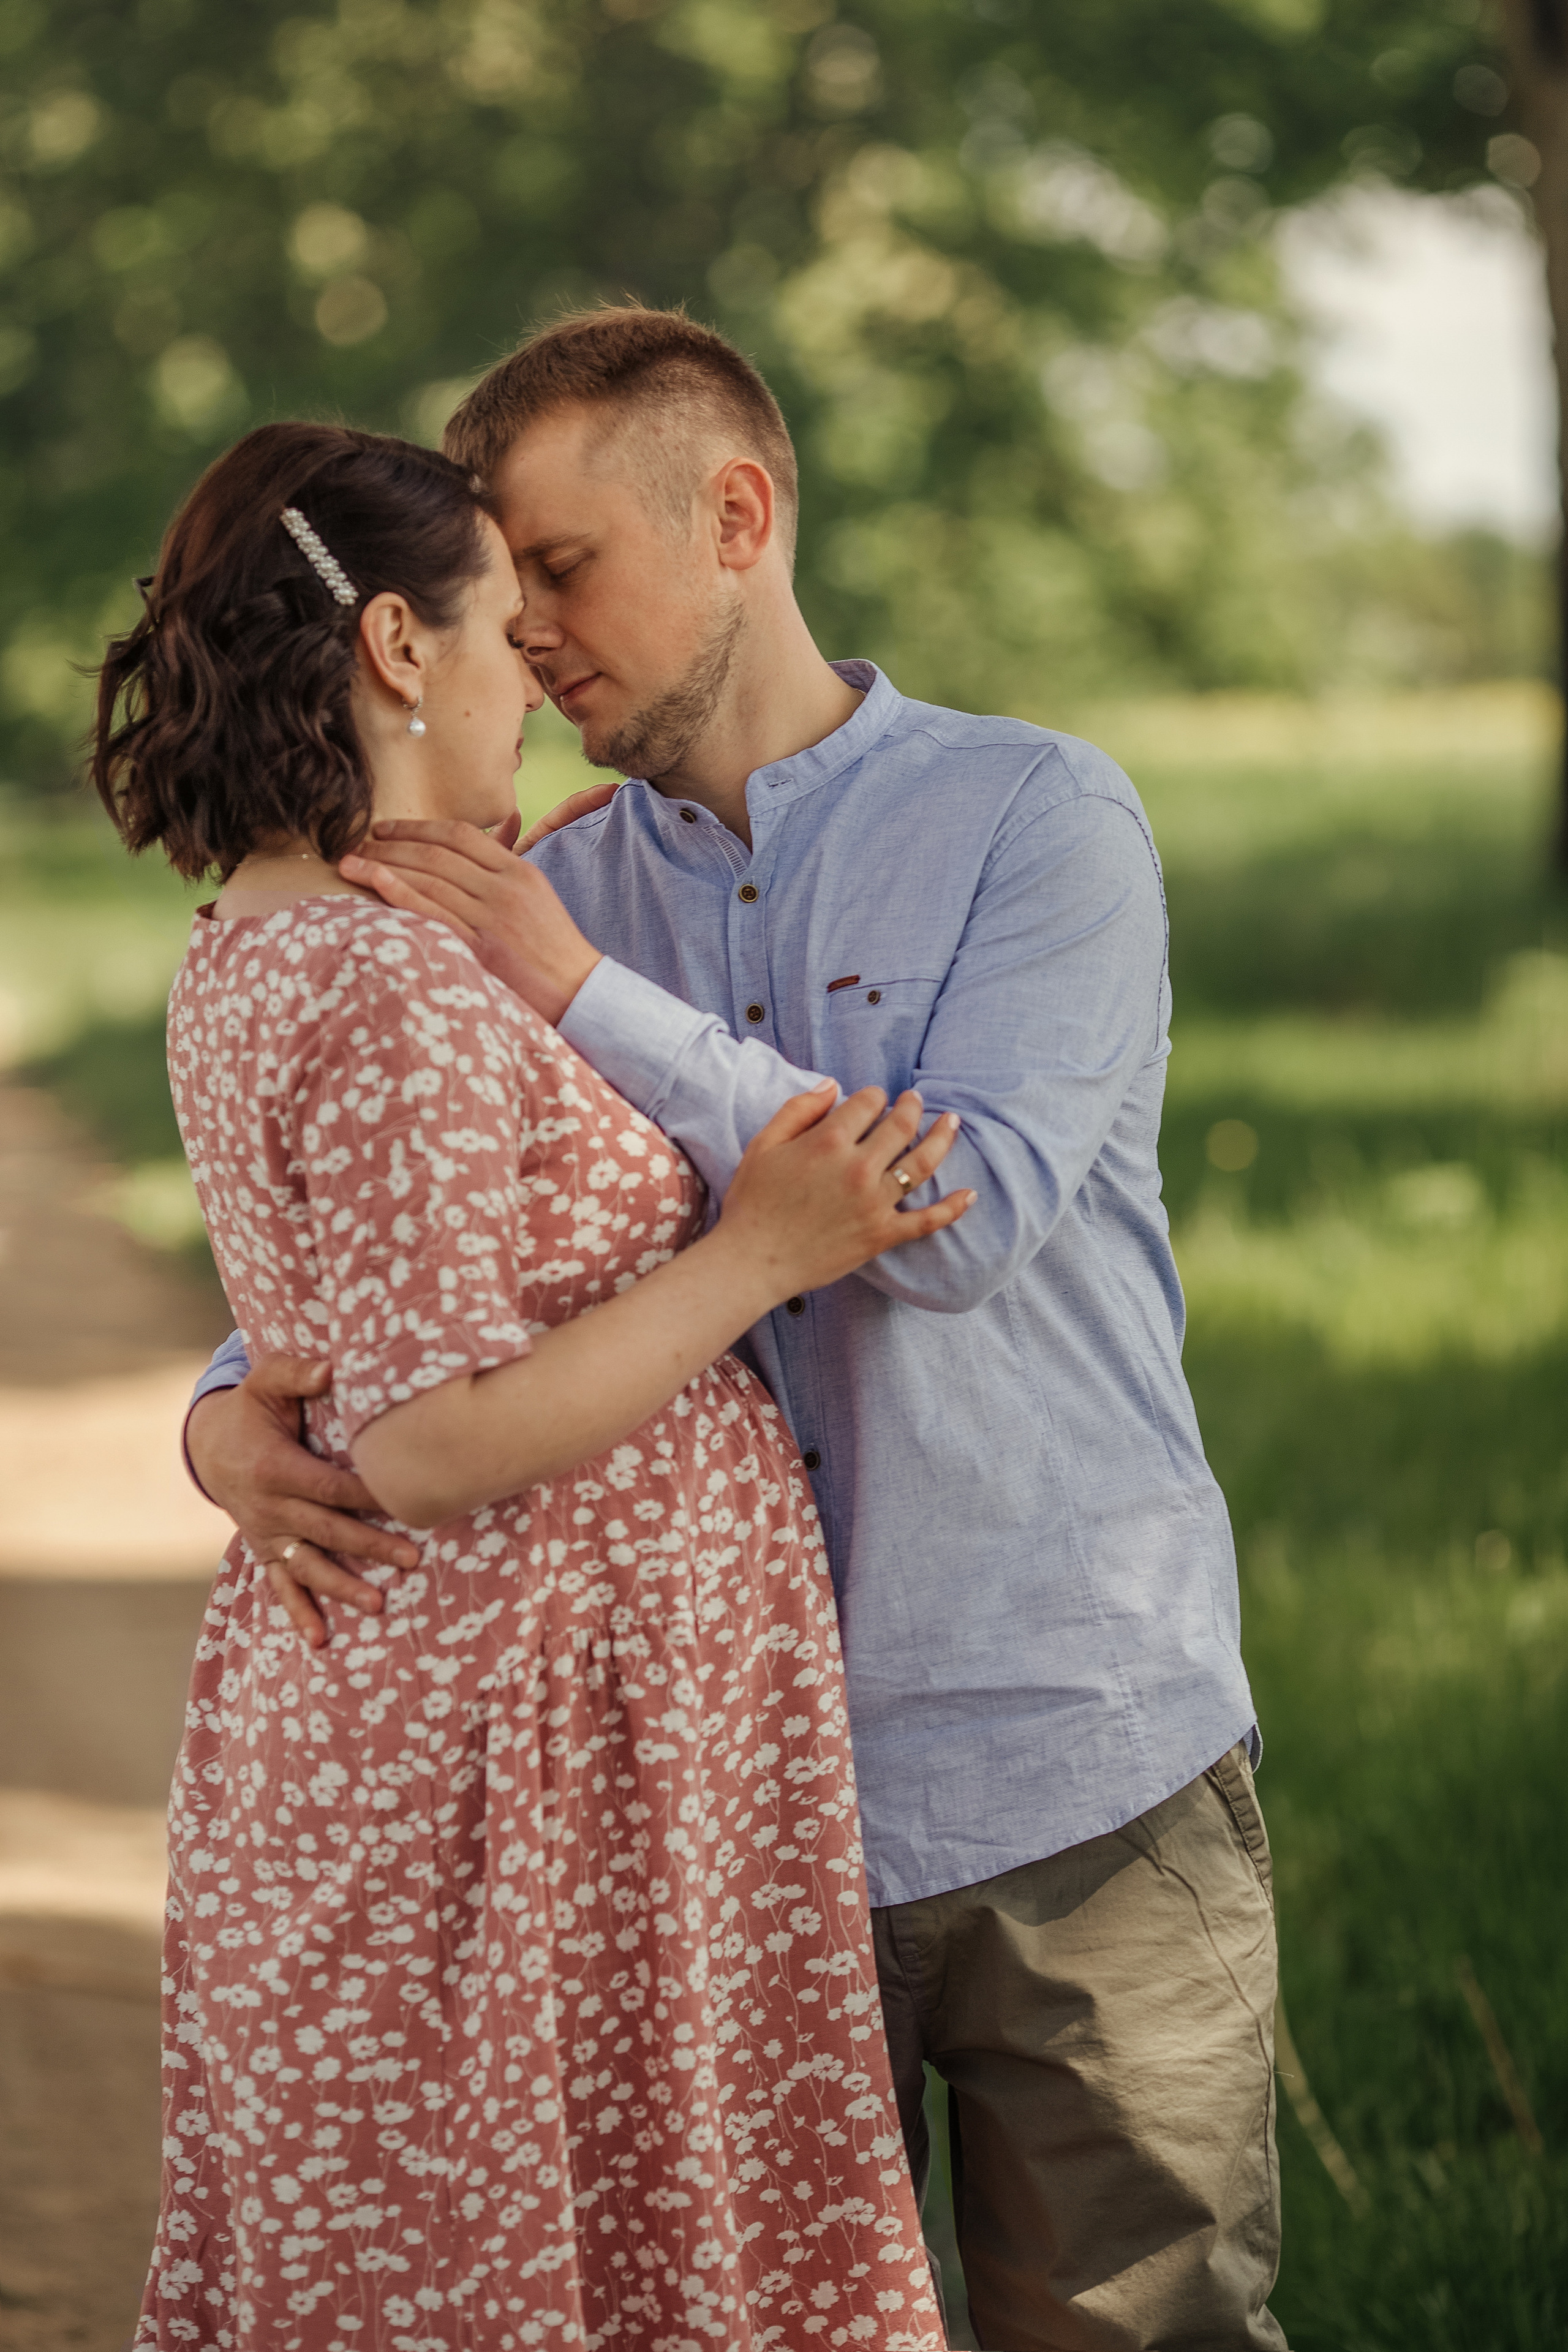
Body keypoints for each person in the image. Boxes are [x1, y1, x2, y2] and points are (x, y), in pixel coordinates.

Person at [187, 313, 1288, 2351]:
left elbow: (949, 1233)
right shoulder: (528, 881)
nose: (524, 643)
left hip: (1071, 1749)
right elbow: (402, 1224)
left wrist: (584, 992)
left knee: (1146, 2333)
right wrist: (213, 1424)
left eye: (565, 574)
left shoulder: (1035, 819)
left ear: (743, 515)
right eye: (496, 600)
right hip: (700, 1808)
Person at [96, 418, 964, 2351]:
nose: (536, 685)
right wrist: (759, 1249)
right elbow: (425, 1442)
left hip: (463, 1729)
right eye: (506, 628)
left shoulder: (273, 939)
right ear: (399, 651)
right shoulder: (390, 984)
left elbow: (366, 1328)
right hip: (502, 1756)